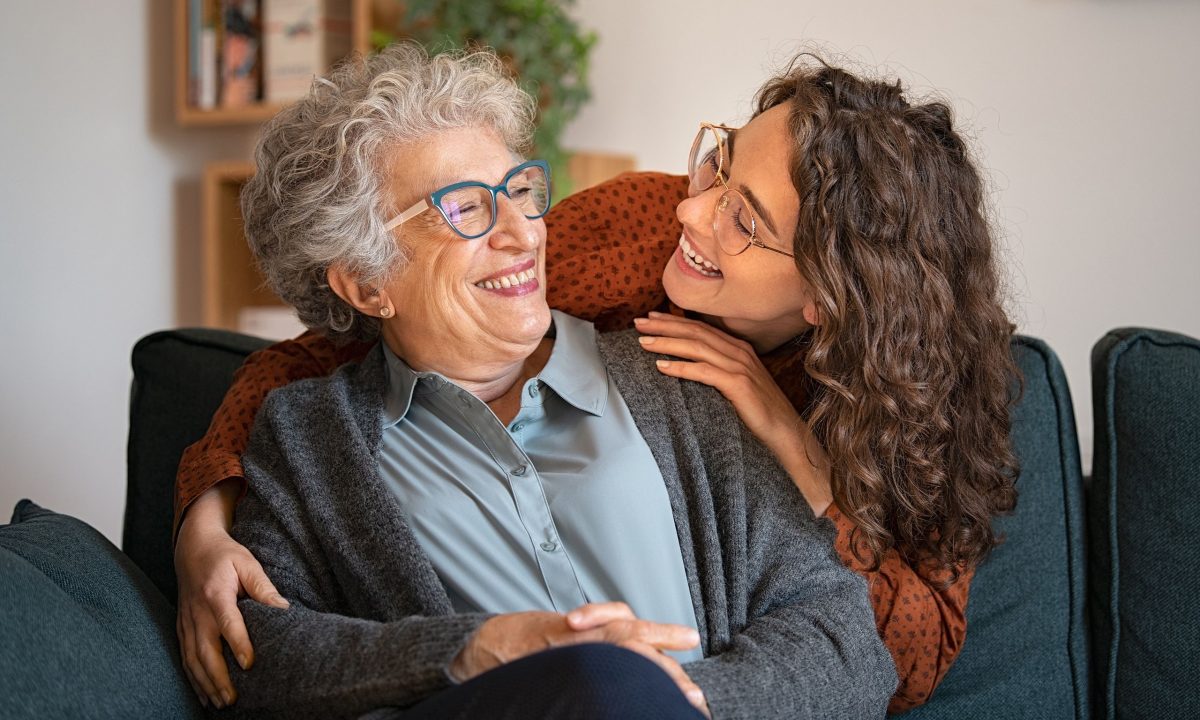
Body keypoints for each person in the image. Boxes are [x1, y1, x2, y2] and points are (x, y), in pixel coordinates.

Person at [174, 51, 1018, 714]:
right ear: (365, 278)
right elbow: (308, 363)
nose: (523, 231)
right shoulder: (636, 241)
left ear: (831, 297)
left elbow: (872, 651)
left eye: (743, 219)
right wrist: (203, 521)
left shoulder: (702, 392)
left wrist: (671, 700)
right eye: (466, 207)